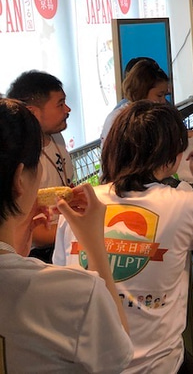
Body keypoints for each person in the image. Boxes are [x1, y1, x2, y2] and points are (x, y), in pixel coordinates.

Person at [54, 101, 193, 373]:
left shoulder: (78, 203)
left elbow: (62, 274)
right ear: (173, 156)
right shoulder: (184, 203)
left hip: (89, 363)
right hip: (159, 365)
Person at [0, 98, 133, 372]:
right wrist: (94, 243)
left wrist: (17, 246)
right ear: (19, 180)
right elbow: (118, 356)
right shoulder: (75, 292)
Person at [6, 70, 75, 262]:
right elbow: (34, 233)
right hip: (38, 255)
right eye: (60, 104)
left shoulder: (57, 137)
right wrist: (79, 227)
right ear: (32, 112)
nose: (68, 109)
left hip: (64, 237)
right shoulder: (21, 159)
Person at [101, 58, 193, 144]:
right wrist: (186, 135)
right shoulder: (121, 119)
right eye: (159, 95)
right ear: (141, 91)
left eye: (164, 95)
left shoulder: (148, 114)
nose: (163, 101)